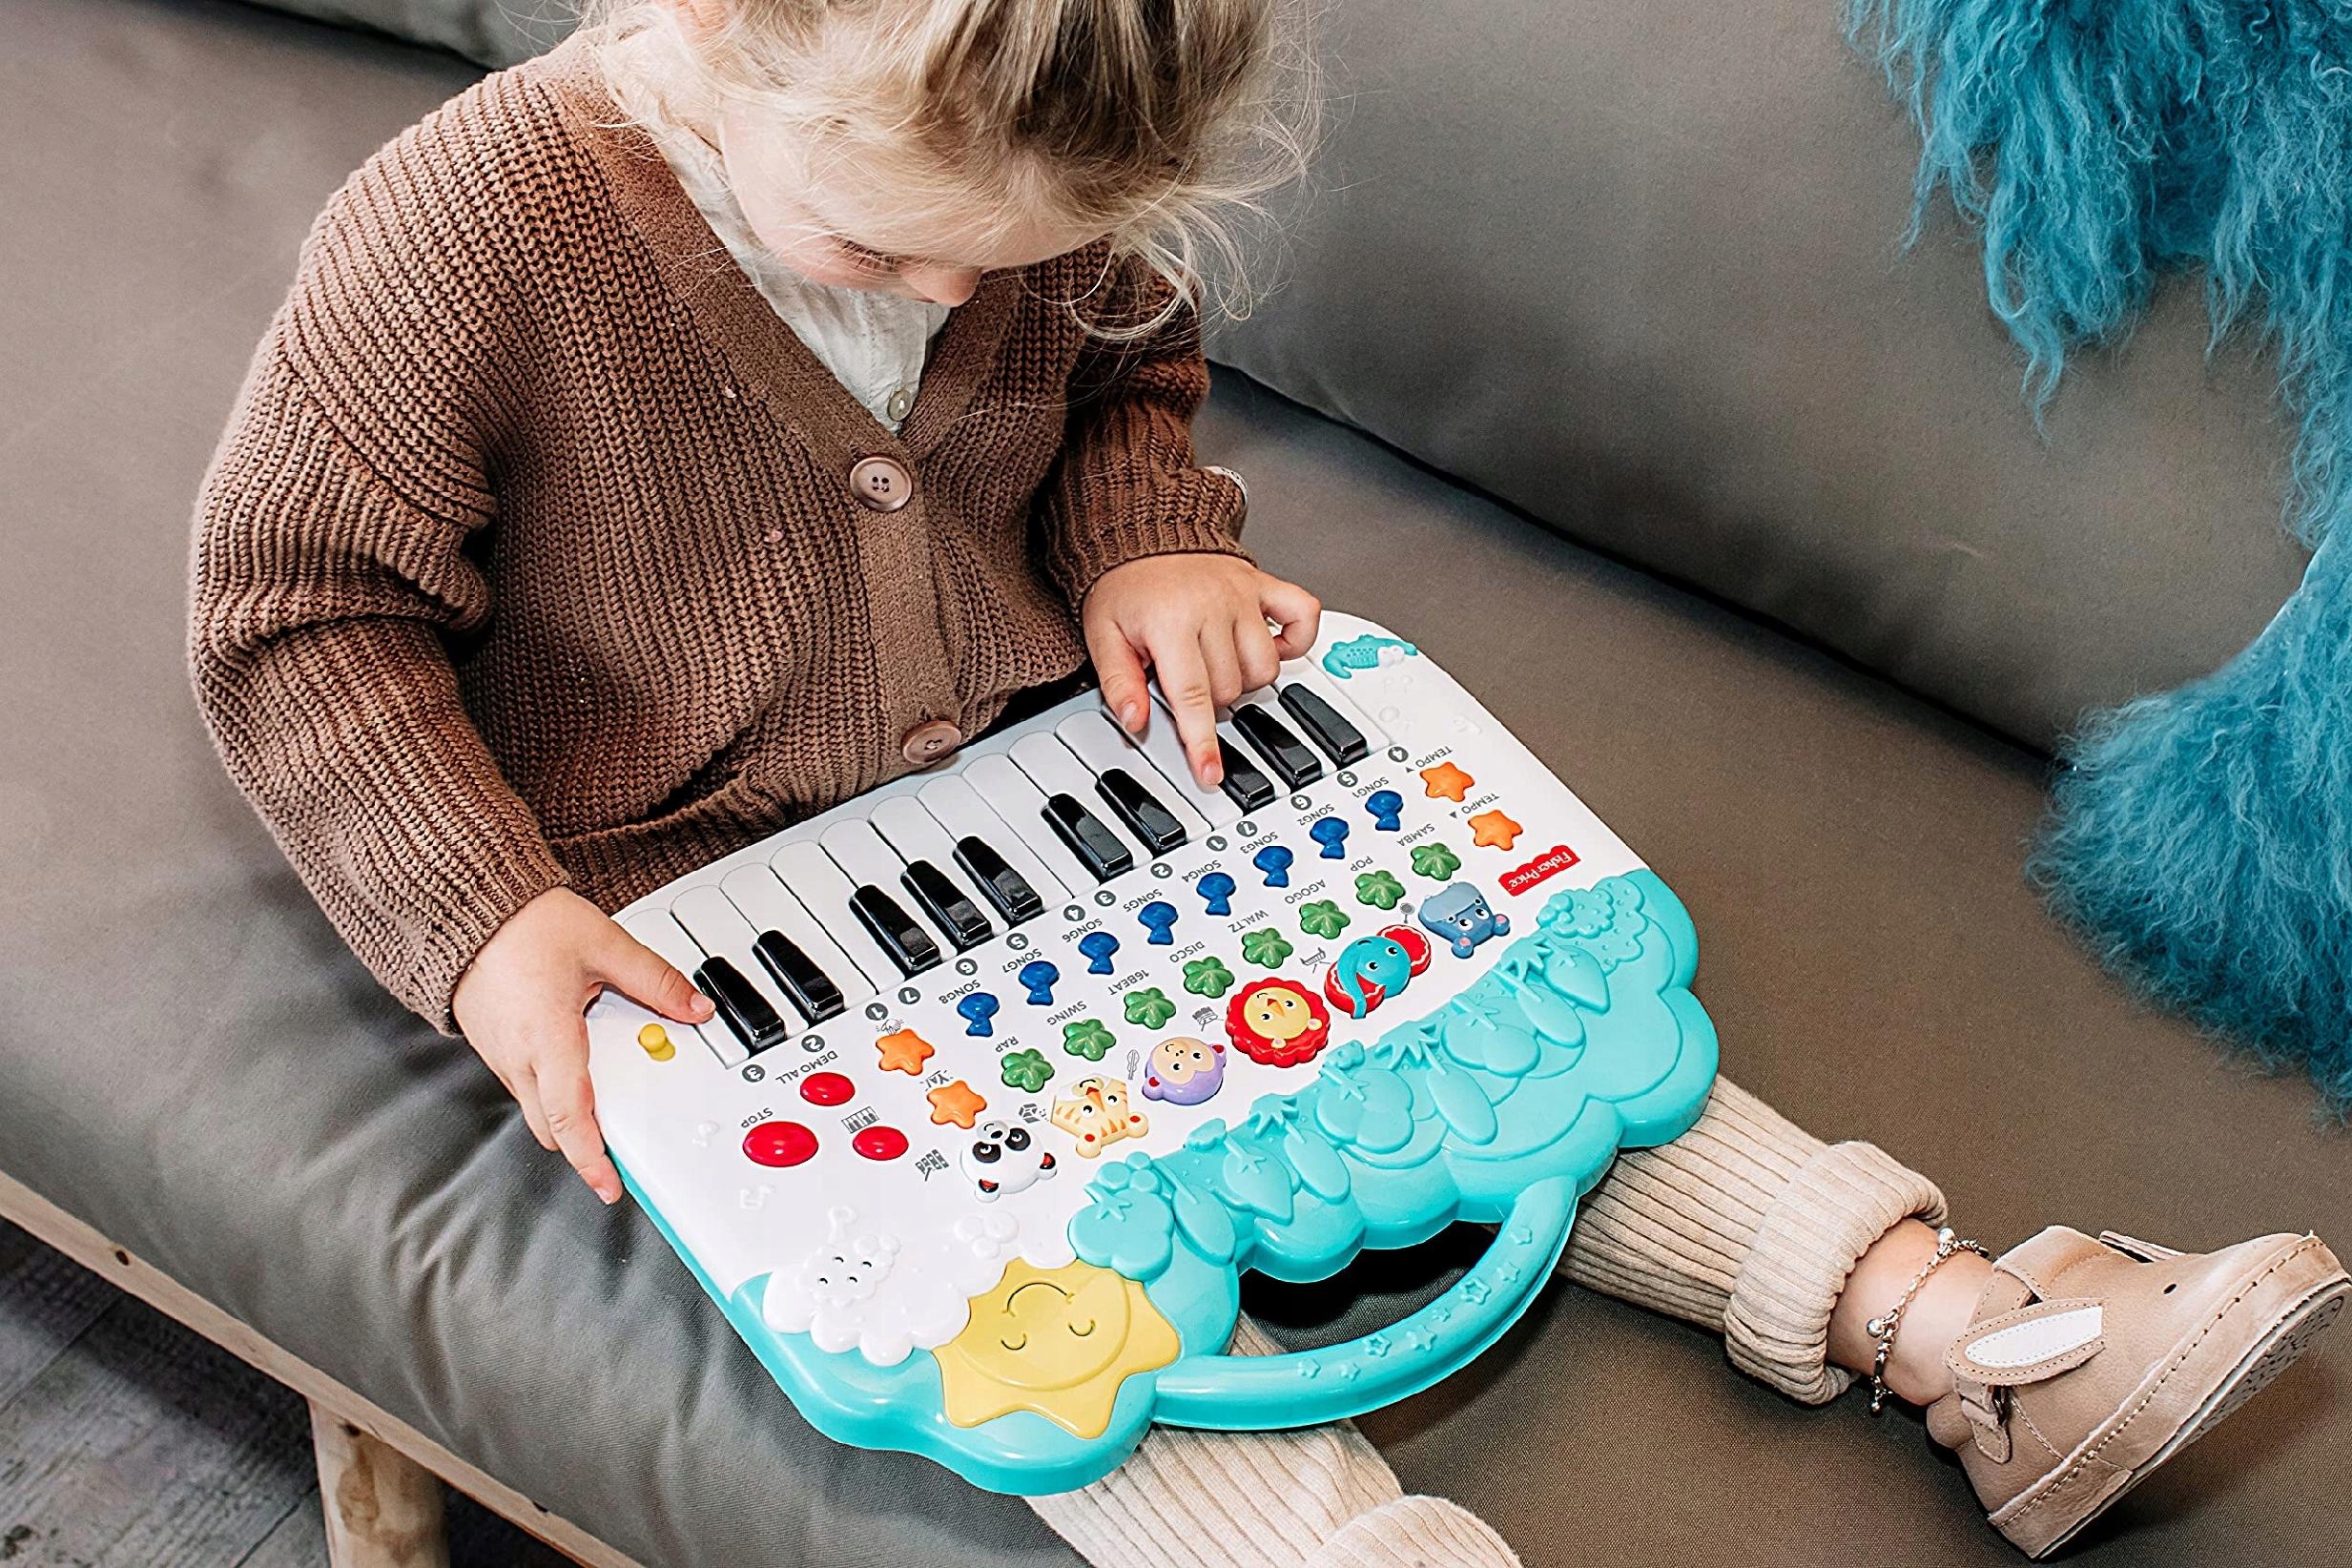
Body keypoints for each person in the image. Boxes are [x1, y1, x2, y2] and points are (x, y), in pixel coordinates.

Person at [186, 3, 2347, 1561]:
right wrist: (485, 923)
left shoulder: (1024, 164)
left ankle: (1965, 1330)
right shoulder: (470, 231)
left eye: (1005, 257)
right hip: (729, 938)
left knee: (1471, 1013)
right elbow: (295, 614)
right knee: (1045, 1330)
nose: (959, 298)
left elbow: (1124, 367)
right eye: (887, 256)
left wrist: (1144, 540)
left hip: (1086, 795)